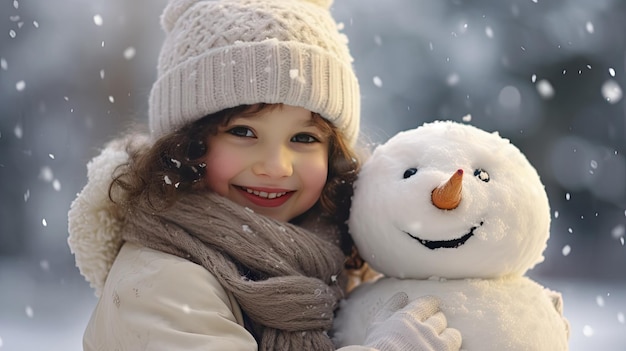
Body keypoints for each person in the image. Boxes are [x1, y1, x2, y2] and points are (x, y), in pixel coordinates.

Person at [68, 0, 462, 350]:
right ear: (186, 145)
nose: (276, 166)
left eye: (304, 138)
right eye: (243, 132)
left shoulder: (336, 262)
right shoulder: (161, 280)